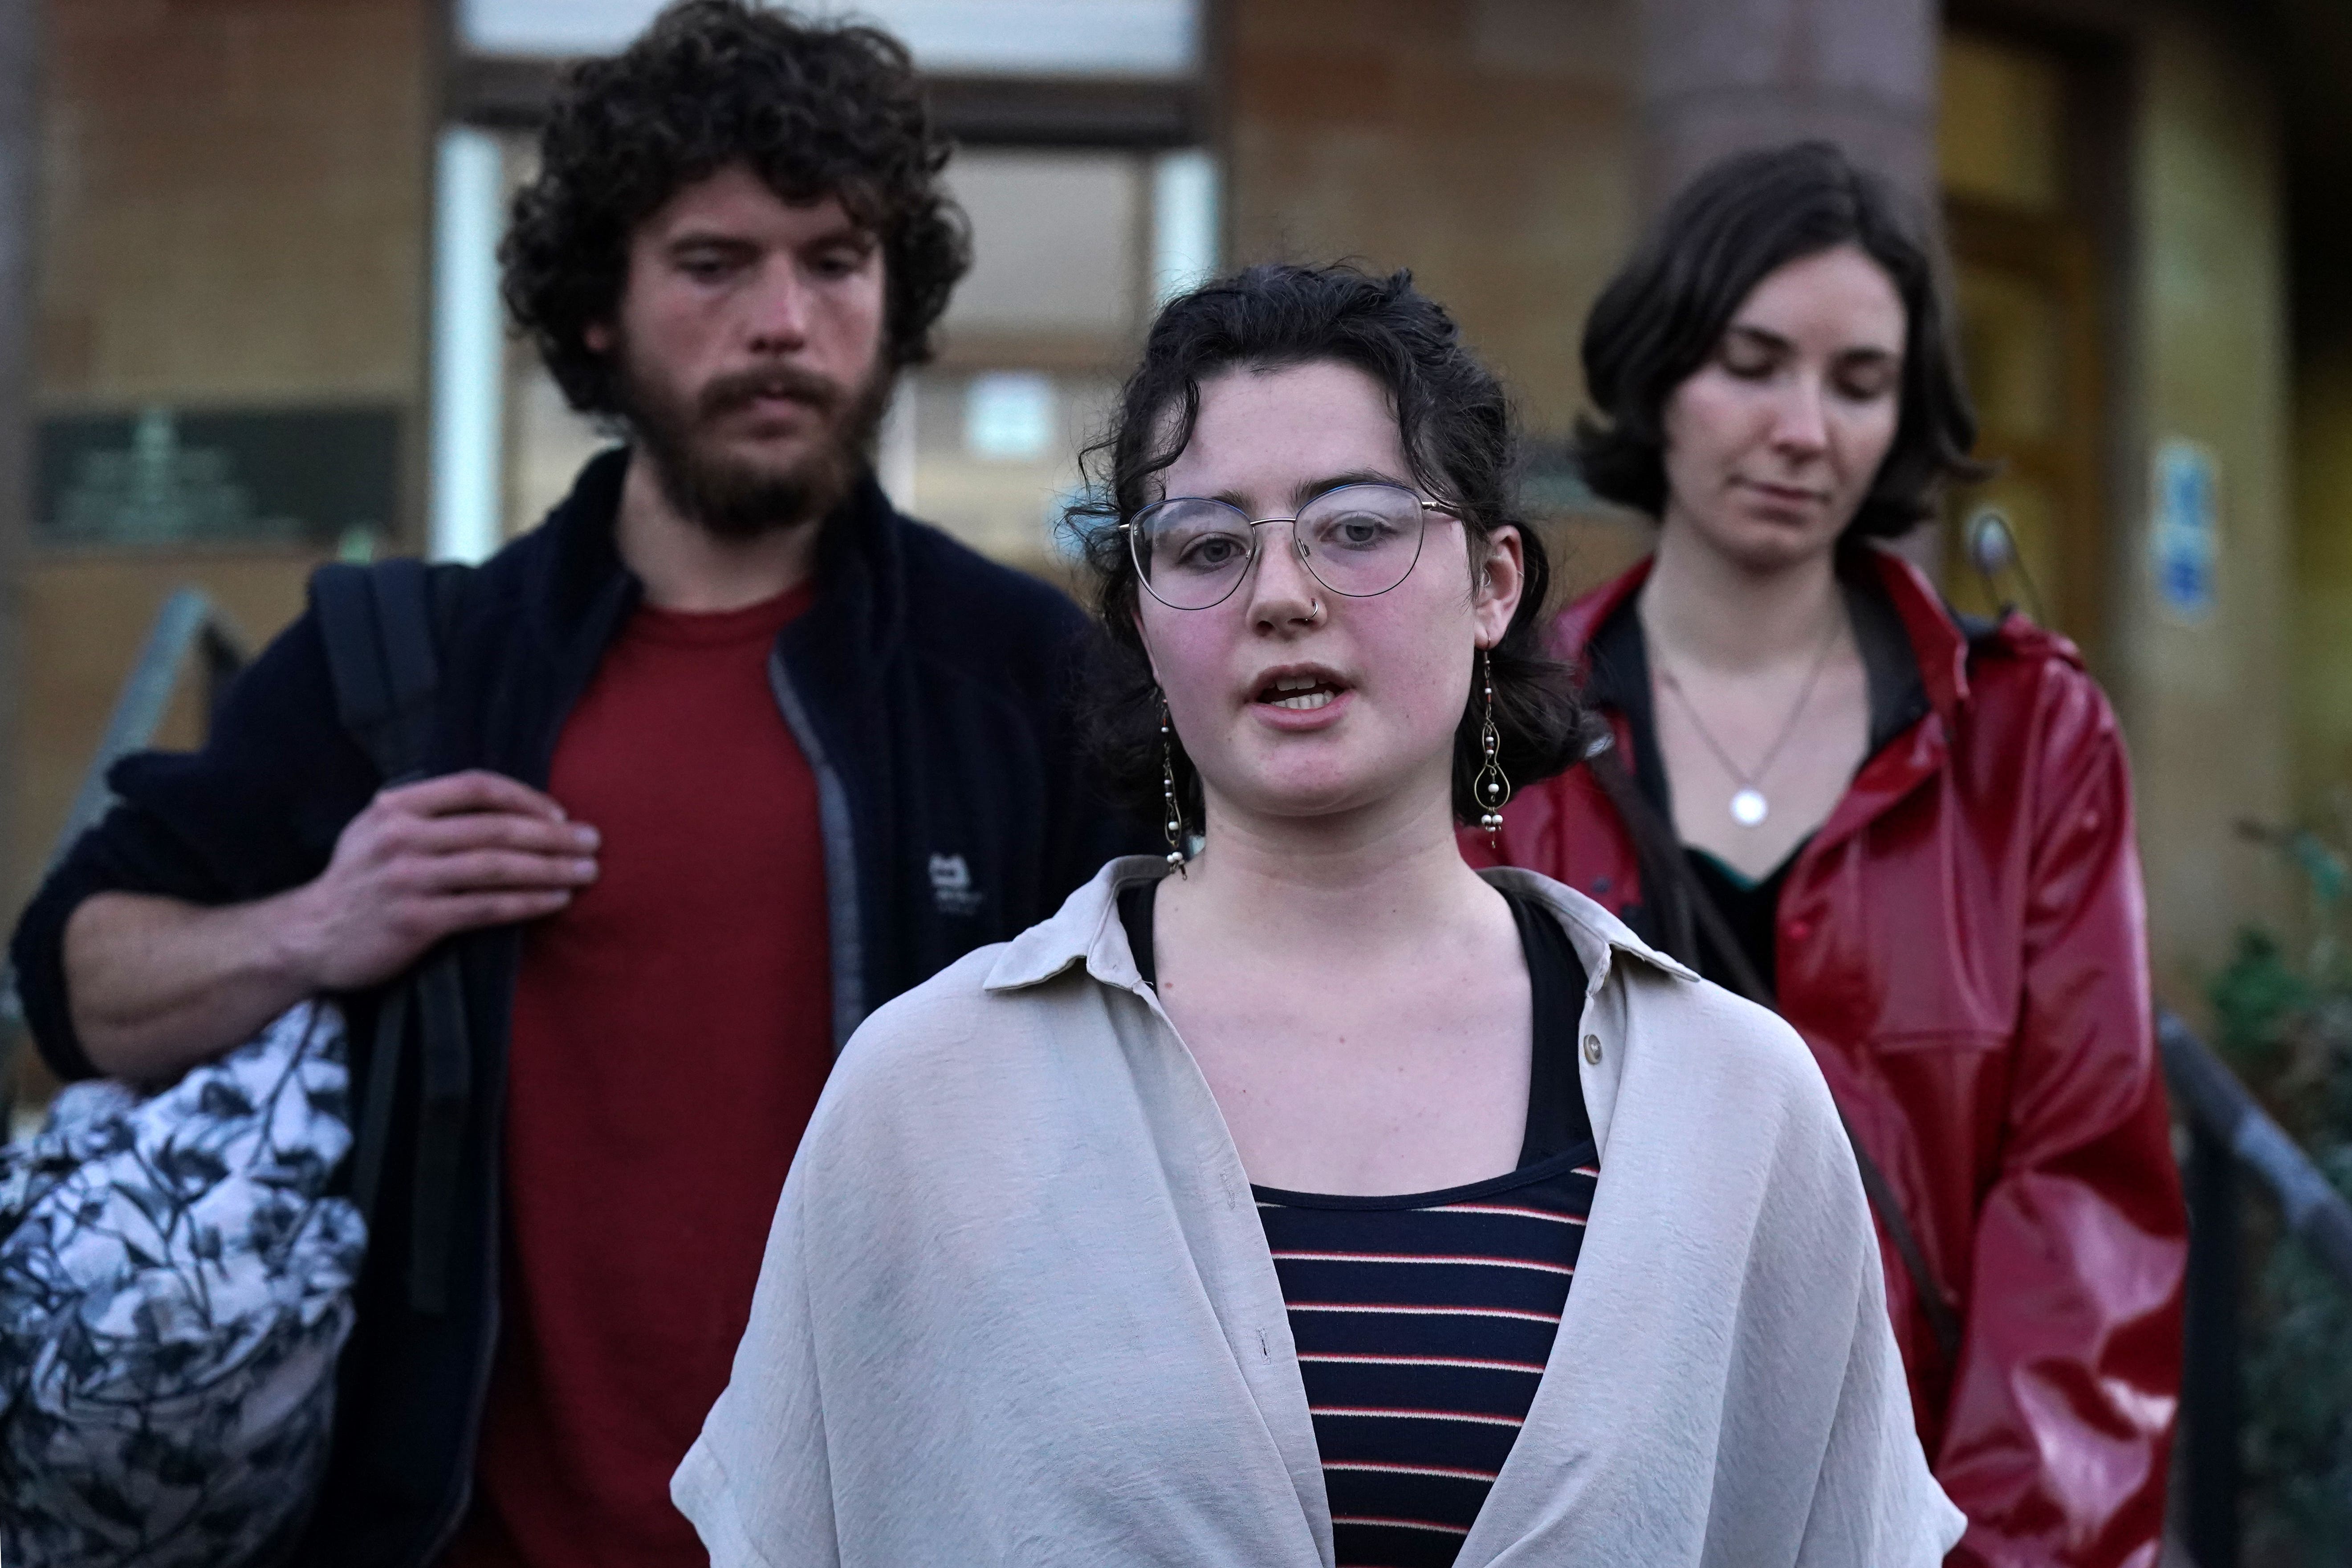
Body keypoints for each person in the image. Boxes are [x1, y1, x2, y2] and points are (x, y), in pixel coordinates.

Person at [6, 4, 1135, 1566]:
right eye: (712, 263)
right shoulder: (402, 669)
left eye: (833, 259)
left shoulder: (1019, 677)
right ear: (600, 309)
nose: (783, 321)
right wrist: (317, 925)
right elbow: (73, 974)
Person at [673, 262, 1965, 1567]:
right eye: (1208, 546)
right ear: (1140, 616)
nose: (1281, 592)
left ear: (1492, 582)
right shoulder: (928, 1092)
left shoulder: (1733, 1101)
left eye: (1354, 527)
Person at [1469, 141, 2186, 1567]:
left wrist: (1993, 1557)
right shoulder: (1504, 727)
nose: (1802, 428)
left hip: (1939, 1515)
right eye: (1751, 362)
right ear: (1663, 371)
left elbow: (2081, 1196)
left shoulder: (2024, 737)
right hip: (1583, 1514)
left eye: (1857, 383)